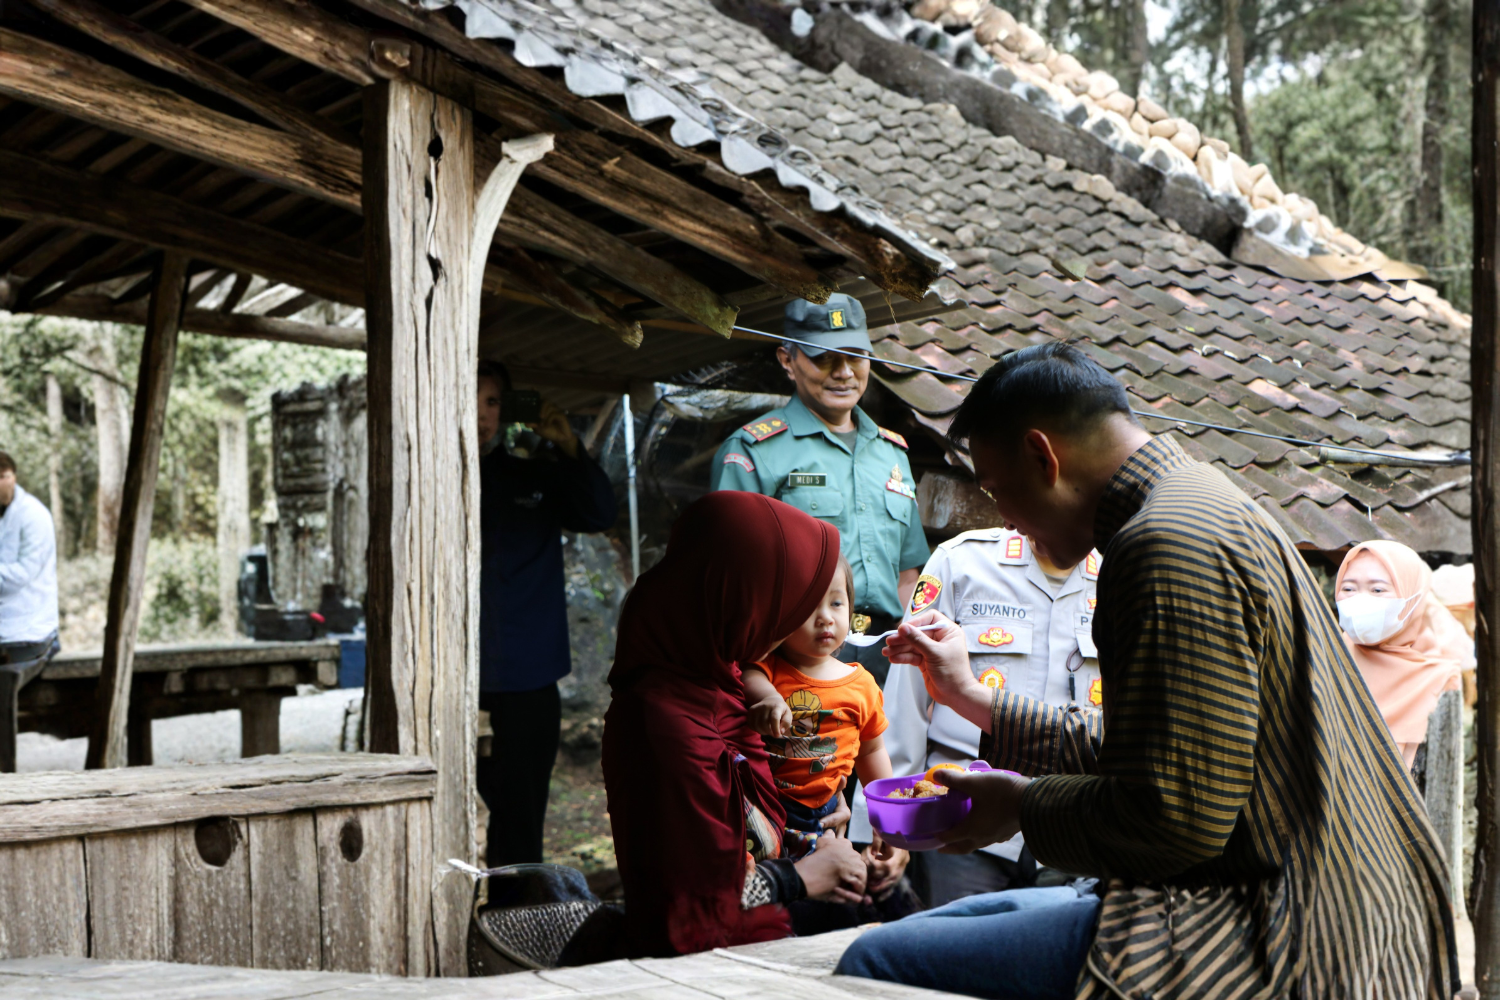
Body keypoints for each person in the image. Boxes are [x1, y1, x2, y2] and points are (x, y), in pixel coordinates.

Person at [836, 342, 1458, 999]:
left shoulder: (1165, 545)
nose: (1002, 517)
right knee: (952, 924)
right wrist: (971, 697)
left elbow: (1176, 820)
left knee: (877, 959)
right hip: (1338, 901)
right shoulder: (1199, 500)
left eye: (996, 489)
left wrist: (1017, 806)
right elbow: (1170, 749)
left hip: (1286, 926)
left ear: (1043, 457)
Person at [601, 492, 869, 957]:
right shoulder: (663, 726)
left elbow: (747, 816)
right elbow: (688, 908)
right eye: (783, 607)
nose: (787, 627)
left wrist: (814, 812)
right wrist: (801, 877)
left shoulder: (720, 679)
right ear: (736, 599)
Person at [850, 528, 1103, 908]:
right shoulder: (960, 561)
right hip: (961, 815)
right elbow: (905, 700)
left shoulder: (1119, 574)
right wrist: (890, 825)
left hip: (1072, 825)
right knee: (950, 938)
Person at [709, 293, 928, 685]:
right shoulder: (755, 450)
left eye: (855, 356)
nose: (843, 372)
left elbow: (907, 573)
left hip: (885, 654)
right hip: (793, 655)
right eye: (824, 357)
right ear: (787, 360)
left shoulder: (891, 453)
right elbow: (731, 576)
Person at [475, 363, 616, 867]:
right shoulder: (426, 478)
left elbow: (598, 514)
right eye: (470, 399)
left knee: (520, 818)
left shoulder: (531, 473)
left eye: (493, 402)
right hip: (449, 677)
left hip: (528, 676)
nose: (481, 414)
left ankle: (516, 909)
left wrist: (569, 446)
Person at [743, 554, 894, 857]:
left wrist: (886, 819)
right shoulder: (766, 668)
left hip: (825, 813)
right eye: (808, 606)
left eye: (836, 603)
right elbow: (750, 677)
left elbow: (872, 752)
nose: (825, 617)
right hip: (765, 805)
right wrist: (769, 699)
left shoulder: (861, 684)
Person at [1336, 541, 1470, 768]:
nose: (1359, 599)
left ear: (1412, 599)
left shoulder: (1439, 678)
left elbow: (1443, 770)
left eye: (1377, 590)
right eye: (1348, 589)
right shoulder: (1327, 660)